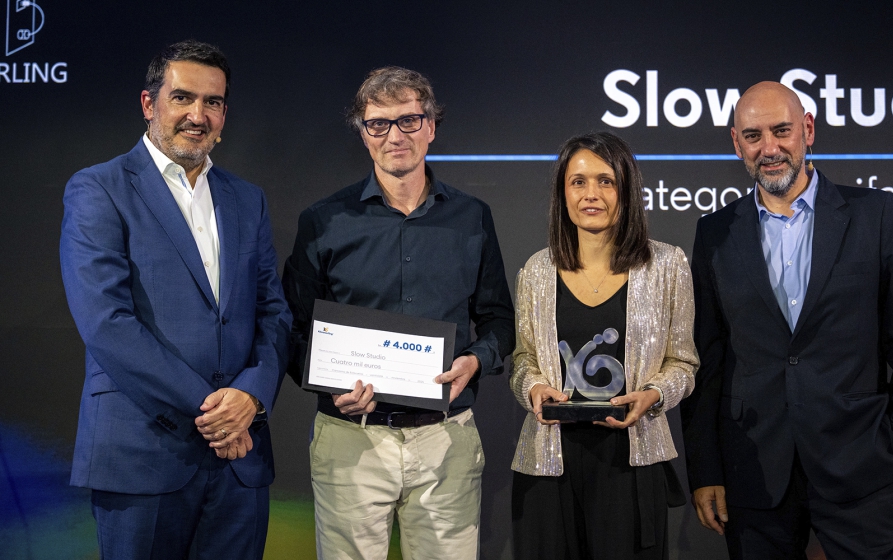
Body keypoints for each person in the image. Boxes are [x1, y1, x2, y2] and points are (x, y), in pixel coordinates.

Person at [681, 81, 893, 559]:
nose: (770, 148)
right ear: (736, 143)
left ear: (808, 130)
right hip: (754, 471)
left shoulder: (873, 214)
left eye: (782, 131)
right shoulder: (714, 232)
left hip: (863, 465)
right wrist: (707, 468)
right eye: (753, 135)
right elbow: (706, 359)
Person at [59, 40, 291, 559]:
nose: (197, 115)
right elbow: (106, 322)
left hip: (240, 460)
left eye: (212, 102)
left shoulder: (246, 198)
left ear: (224, 113)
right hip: (143, 452)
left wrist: (250, 397)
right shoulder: (99, 188)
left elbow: (272, 312)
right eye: (183, 97)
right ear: (149, 104)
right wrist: (215, 413)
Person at [282, 66, 515, 560]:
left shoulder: (473, 217)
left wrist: (474, 360)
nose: (395, 136)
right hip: (351, 439)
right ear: (363, 134)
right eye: (379, 123)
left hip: (445, 439)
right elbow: (292, 329)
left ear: (432, 126)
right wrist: (330, 385)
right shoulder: (324, 221)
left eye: (409, 120)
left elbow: (498, 321)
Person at [509, 131, 698, 560]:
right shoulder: (537, 270)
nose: (591, 194)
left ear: (626, 189)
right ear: (563, 192)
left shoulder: (667, 265)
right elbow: (523, 361)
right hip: (549, 460)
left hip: (632, 459)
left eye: (605, 181)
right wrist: (534, 389)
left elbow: (683, 364)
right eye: (578, 182)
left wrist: (653, 395)